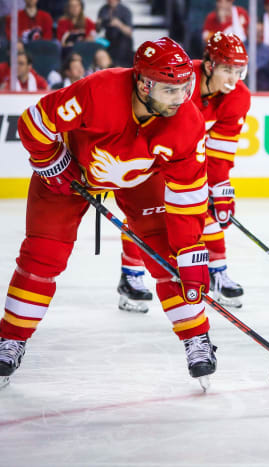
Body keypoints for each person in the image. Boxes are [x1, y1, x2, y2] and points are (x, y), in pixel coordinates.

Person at [0, 38, 217, 388]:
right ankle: (10, 338)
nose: (180, 99)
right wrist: (50, 161)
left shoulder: (187, 122)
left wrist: (190, 252)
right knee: (42, 257)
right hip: (71, 171)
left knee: (170, 261)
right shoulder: (97, 91)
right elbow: (34, 122)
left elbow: (188, 195)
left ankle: (197, 338)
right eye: (170, 90)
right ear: (144, 84)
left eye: (184, 88)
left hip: (141, 179)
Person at [117, 32, 249, 313]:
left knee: (204, 212)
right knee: (145, 214)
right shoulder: (177, 83)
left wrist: (220, 185)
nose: (233, 79)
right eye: (227, 69)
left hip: (186, 158)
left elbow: (220, 150)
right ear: (211, 66)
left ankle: (217, 270)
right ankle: (131, 276)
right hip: (149, 152)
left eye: (239, 70)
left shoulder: (237, 96)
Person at [96, 0, 133, 67]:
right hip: (108, 39)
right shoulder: (103, 9)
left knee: (123, 42)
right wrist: (98, 24)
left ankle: (117, 65)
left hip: (122, 39)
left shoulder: (125, 10)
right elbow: (98, 31)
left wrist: (119, 24)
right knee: (96, 42)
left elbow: (129, 32)